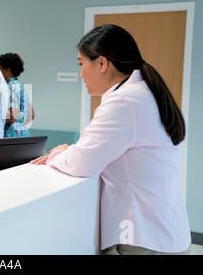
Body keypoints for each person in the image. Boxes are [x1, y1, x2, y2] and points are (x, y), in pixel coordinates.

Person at [31, 24, 191, 255]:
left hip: (143, 239)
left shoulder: (124, 101)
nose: (80, 73)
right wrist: (76, 149)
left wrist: (58, 154)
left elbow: (82, 163)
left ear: (102, 63)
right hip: (165, 232)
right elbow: (110, 147)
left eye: (81, 63)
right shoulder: (142, 92)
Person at [0, 53, 35, 137]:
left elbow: (13, 116)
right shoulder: (21, 87)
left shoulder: (11, 87)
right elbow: (32, 115)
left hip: (12, 138)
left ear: (8, 70)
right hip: (23, 136)